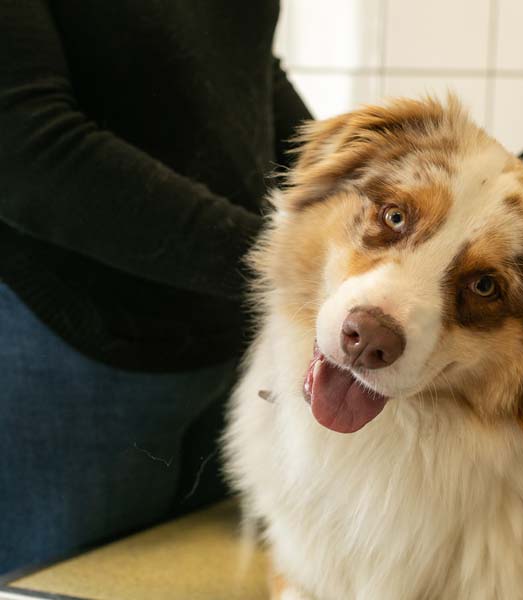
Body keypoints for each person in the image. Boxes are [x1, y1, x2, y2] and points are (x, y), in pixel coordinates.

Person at [0, 1, 312, 573]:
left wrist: (373, 186)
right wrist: (287, 263)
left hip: (225, 340)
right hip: (64, 348)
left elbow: (244, 78)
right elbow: (24, 145)